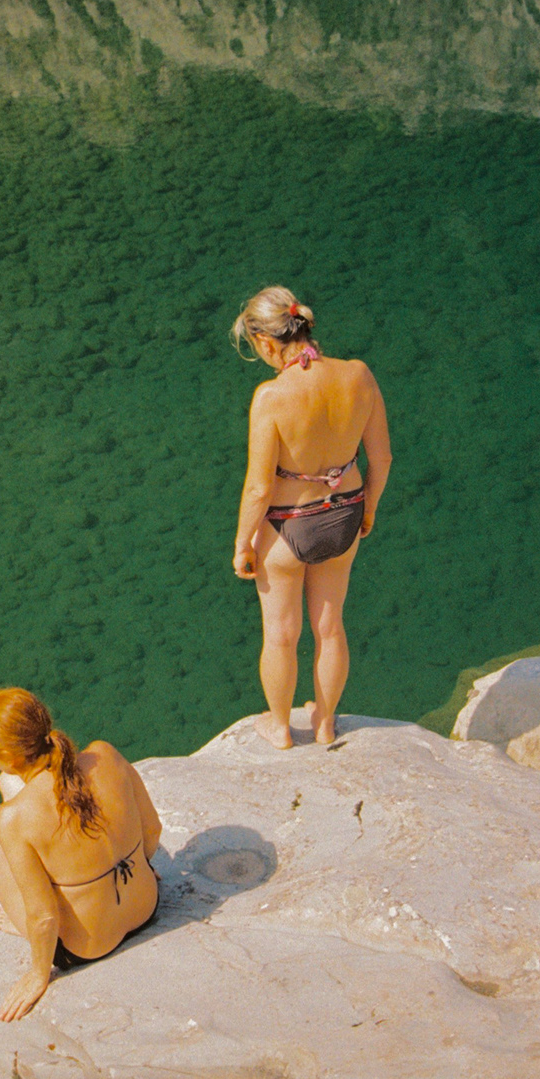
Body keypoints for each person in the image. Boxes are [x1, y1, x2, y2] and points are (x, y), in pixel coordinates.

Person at [230, 285, 392, 749]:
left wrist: (243, 544)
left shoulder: (270, 397)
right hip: (345, 516)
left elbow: (260, 487)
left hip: (286, 527)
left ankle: (280, 728)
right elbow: (382, 459)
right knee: (329, 626)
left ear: (265, 342)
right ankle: (324, 722)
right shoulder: (359, 375)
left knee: (281, 635)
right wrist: (370, 512)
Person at [0, 688, 163, 1021]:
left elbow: (44, 916)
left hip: (87, 945)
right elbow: (153, 830)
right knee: (10, 785)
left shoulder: (15, 819)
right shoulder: (105, 754)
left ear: (6, 752)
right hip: (145, 904)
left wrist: (38, 974)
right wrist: (141, 867)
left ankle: (20, 917)